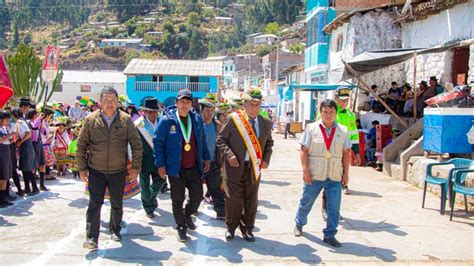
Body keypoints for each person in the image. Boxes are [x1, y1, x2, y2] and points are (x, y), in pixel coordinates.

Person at [77, 87, 143, 250]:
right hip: (96, 170)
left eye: (113, 101)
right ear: (100, 102)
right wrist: (82, 168)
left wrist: (135, 167)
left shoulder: (125, 120)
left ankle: (115, 229)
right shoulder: (91, 120)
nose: (109, 104)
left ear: (117, 102)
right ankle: (92, 237)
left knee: (116, 203)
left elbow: (136, 145)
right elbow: (81, 145)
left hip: (118, 170)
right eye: (106, 101)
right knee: (94, 203)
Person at [216, 88, 274, 242]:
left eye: (257, 104)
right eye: (251, 104)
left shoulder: (266, 122)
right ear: (245, 104)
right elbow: (220, 140)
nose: (254, 108)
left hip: (254, 167)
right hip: (234, 167)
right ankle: (231, 227)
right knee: (234, 200)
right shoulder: (233, 119)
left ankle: (248, 229)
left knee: (251, 199)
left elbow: (269, 143)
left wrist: (266, 159)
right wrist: (229, 155)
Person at [153, 89, 210, 242]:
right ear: (176, 103)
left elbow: (202, 141)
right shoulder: (167, 121)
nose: (185, 105)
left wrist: (207, 158)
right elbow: (158, 143)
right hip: (175, 169)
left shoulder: (197, 120)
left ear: (191, 104)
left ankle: (187, 215)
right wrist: (160, 164)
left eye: (188, 102)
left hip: (194, 167)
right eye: (182, 102)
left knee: (197, 197)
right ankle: (181, 227)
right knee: (177, 199)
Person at [294, 99, 351, 248]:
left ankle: (330, 234)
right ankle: (299, 223)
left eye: (331, 112)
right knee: (306, 201)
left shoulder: (343, 131)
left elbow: (346, 154)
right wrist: (305, 170)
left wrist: (346, 174)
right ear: (320, 113)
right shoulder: (311, 128)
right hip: (314, 174)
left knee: (334, 207)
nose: (328, 115)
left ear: (336, 113)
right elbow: (303, 150)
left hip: (334, 175)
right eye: (325, 112)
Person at [135, 97, 165, 218]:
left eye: (154, 111)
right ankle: (149, 208)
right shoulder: (138, 125)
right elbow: (133, 144)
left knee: (161, 181)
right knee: (144, 187)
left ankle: (152, 198)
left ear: (157, 112)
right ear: (145, 112)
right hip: (144, 160)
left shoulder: (163, 123)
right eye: (149, 111)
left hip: (159, 160)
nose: (152, 114)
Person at [199, 94, 226, 220]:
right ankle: (193, 208)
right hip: (198, 163)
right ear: (202, 111)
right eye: (207, 110)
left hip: (214, 162)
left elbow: (224, 144)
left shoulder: (218, 126)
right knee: (196, 190)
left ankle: (221, 212)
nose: (209, 113)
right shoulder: (196, 125)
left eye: (211, 110)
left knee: (215, 189)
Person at [12, 108, 39, 196]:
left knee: (27, 168)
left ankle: (35, 188)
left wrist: (20, 141)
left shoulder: (20, 121)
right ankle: (27, 188)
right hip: (25, 145)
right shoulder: (21, 121)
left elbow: (28, 133)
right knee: (24, 168)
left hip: (26, 145)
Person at [26, 109, 48, 191]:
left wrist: (42, 121)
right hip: (33, 144)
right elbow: (34, 127)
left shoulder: (38, 121)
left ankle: (42, 184)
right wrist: (40, 118)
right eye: (36, 114)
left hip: (39, 143)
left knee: (42, 164)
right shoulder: (28, 122)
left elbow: (43, 131)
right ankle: (31, 186)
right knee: (33, 165)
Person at [0, 110, 15, 208]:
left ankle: (4, 197)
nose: (7, 121)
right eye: (6, 119)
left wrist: (12, 137)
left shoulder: (4, 128)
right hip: (1, 152)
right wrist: (10, 135)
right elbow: (1, 140)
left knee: (6, 176)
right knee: (1, 177)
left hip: (7, 151)